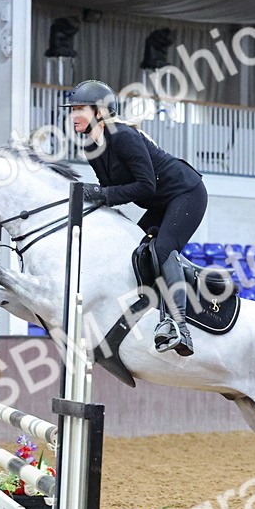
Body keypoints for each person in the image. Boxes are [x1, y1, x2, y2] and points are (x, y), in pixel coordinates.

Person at [63, 80, 206, 357]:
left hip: (186, 193)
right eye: (72, 110)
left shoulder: (123, 136)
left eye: (79, 109)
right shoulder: (91, 148)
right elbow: (110, 191)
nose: (73, 115)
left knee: (162, 250)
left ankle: (179, 327)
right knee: (133, 250)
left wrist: (101, 194)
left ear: (99, 112)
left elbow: (144, 186)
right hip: (160, 202)